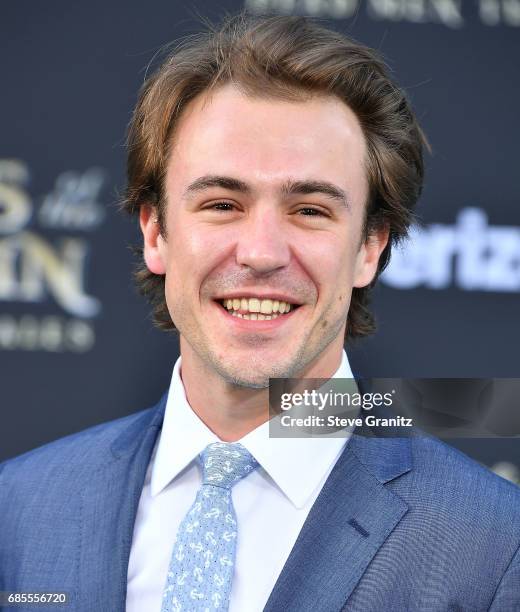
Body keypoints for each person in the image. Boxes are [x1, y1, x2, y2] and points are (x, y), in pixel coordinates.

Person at [1, 13, 519, 612]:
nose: (262, 253)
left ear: (370, 248)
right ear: (155, 232)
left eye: (310, 210)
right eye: (222, 204)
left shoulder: (494, 546)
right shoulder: (21, 505)